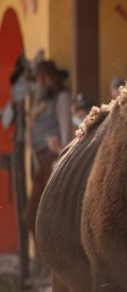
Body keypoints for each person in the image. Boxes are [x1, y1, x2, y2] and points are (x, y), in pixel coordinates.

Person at [24, 60, 73, 242]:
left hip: (54, 160)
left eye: (45, 78)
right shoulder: (41, 104)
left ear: (55, 79)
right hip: (41, 162)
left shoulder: (62, 98)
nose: (42, 82)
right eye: (39, 79)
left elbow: (66, 131)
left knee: (49, 215)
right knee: (32, 216)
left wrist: (61, 150)